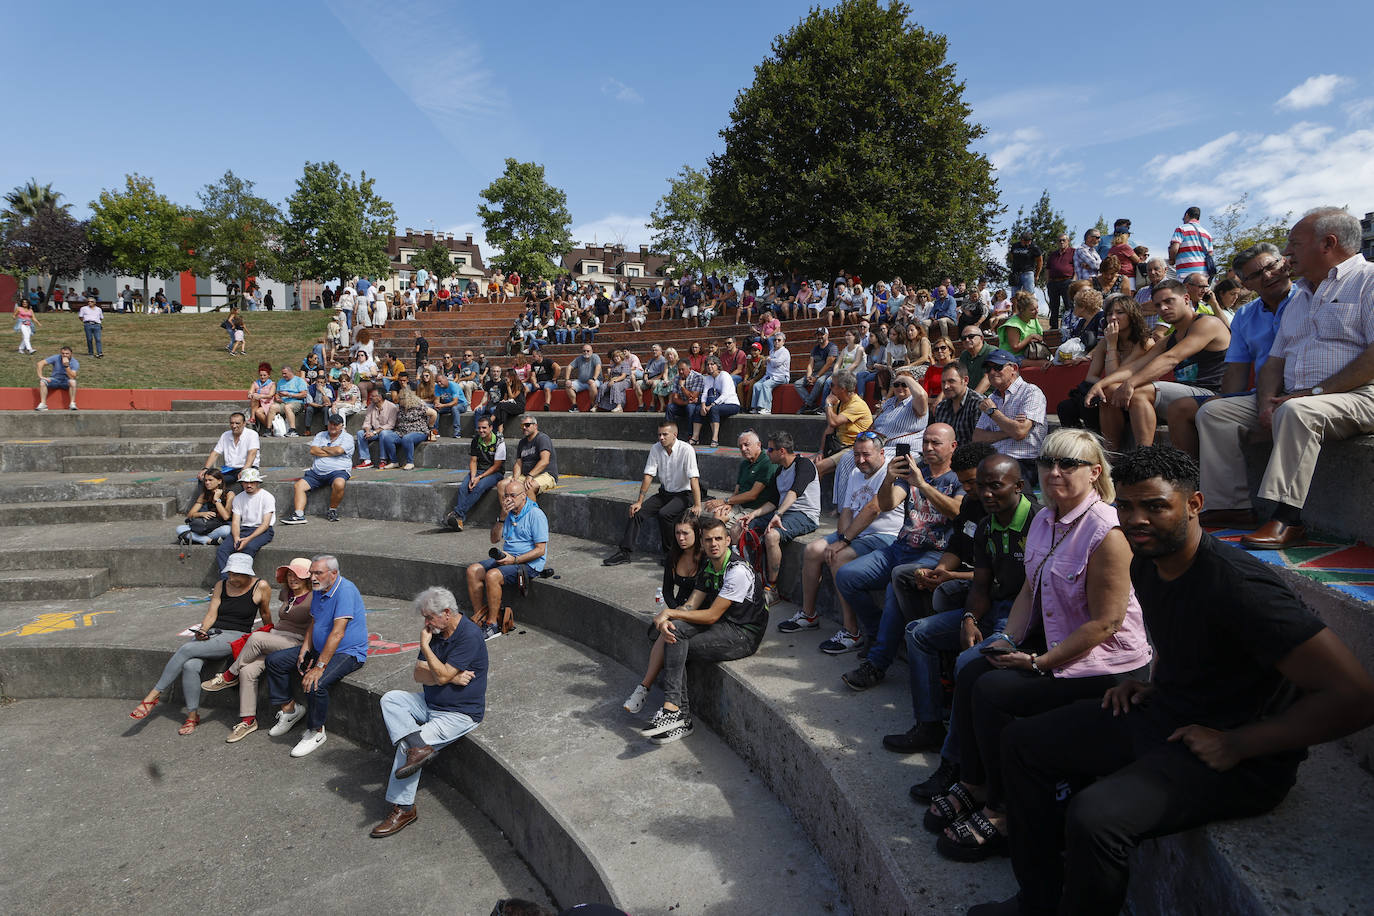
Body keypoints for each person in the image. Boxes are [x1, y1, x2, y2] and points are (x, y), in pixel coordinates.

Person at [976, 447, 1374, 916]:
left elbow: (1355, 697)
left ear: (1194, 504)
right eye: (1125, 506)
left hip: (1238, 754)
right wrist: (1154, 682)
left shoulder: (1242, 589)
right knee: (1023, 742)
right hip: (1169, 713)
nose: (1137, 519)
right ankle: (1038, 901)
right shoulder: (1147, 559)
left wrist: (1240, 743)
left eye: (1156, 505)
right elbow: (1185, 637)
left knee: (1096, 816)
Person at [927, 429, 1151, 866]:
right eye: (1048, 462)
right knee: (975, 666)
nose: (1055, 471)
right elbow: (1030, 587)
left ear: (1095, 473)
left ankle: (1003, 811)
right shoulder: (1046, 521)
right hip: (1060, 650)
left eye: (1069, 464)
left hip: (1107, 666)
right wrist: (1006, 639)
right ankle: (975, 783)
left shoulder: (1107, 530)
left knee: (993, 692)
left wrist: (1038, 661)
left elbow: (1106, 623)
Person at [1197, 207, 1374, 549]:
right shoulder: (1301, 297)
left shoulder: (1368, 281)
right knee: (1215, 413)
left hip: (1359, 395)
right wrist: (1265, 402)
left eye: (1294, 244)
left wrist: (1315, 392)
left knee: (1296, 412)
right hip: (1297, 395)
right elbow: (1274, 361)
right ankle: (1231, 507)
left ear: (1329, 243)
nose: (1287, 253)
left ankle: (1286, 519)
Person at [883, 455, 1037, 770]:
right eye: (980, 487)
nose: (986, 494)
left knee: (967, 661)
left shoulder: (1039, 522)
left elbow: (1036, 592)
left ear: (1019, 486)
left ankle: (955, 763)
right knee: (918, 632)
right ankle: (928, 725)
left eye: (996, 486)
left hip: (1025, 616)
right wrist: (969, 619)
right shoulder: (984, 523)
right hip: (992, 605)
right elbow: (981, 584)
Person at [836, 423, 964, 691]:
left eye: (935, 443)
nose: (928, 448)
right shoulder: (917, 471)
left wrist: (922, 485)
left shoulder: (959, 478)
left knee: (897, 584)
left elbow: (957, 512)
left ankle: (877, 663)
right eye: (925, 442)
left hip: (934, 553)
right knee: (846, 575)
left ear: (952, 446)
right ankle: (874, 631)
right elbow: (886, 503)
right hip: (900, 547)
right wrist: (888, 478)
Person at [636, 516, 767, 745]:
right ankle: (676, 713)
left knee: (675, 644)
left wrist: (669, 614)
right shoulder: (708, 565)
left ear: (728, 540)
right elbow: (691, 605)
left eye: (718, 539)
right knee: (673, 633)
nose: (713, 544)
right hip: (723, 625)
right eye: (708, 540)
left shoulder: (737, 570)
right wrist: (670, 618)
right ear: (702, 543)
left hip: (743, 634)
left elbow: (711, 615)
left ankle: (677, 714)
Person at [370, 586, 488, 838]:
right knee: (392, 700)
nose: (426, 623)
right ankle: (418, 746)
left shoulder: (468, 634)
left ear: (446, 612)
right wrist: (450, 678)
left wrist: (429, 653)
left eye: (429, 617)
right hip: (429, 702)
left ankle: (404, 808)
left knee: (404, 749)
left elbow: (438, 672)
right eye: (424, 617)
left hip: (459, 713)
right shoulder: (436, 631)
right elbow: (418, 674)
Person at [1169, 243, 1297, 461]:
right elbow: (1237, 369)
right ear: (1246, 283)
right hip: (1262, 395)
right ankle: (1196, 484)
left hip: (1303, 391)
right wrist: (1225, 401)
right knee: (1198, 410)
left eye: (1271, 266)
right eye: (1256, 274)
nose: (1267, 276)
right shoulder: (1246, 315)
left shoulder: (1311, 298)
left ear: (1284, 263)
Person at [128, 552, 273, 736]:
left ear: (247, 573)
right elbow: (212, 614)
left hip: (236, 635)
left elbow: (266, 614)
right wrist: (203, 630)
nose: (232, 578)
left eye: (236, 574)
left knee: (187, 648)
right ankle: (192, 715)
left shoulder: (261, 586)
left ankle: (153, 695)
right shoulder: (221, 585)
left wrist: (270, 635)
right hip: (213, 633)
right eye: (230, 573)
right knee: (190, 665)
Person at [779, 432, 905, 644]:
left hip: (882, 535)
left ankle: (851, 631)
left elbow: (873, 509)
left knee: (839, 557)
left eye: (866, 455)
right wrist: (841, 536)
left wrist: (844, 541)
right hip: (855, 533)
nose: (860, 460)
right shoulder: (856, 473)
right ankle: (808, 614)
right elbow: (846, 509)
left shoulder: (889, 473)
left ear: (882, 453)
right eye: (856, 455)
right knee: (812, 550)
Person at [1085, 279, 1230, 451]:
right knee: (1109, 391)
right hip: (1182, 395)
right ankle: (1112, 456)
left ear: (1185, 299)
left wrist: (1131, 383)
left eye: (1169, 301)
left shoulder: (1207, 323)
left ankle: (1144, 457)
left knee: (1139, 392)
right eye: (1158, 305)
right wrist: (1102, 384)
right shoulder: (1171, 338)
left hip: (1212, 394)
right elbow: (1135, 366)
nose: (1163, 308)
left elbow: (1171, 358)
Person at [263, 555, 370, 757]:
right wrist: (305, 648)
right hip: (321, 648)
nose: (312, 577)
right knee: (275, 661)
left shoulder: (345, 590)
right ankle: (290, 710)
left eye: (318, 573)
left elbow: (338, 633)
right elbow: (314, 622)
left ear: (333, 573)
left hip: (348, 652)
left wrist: (319, 667)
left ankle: (316, 731)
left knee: (315, 682)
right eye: (311, 572)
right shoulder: (320, 589)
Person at [201, 557, 315, 743]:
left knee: (256, 637)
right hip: (276, 638)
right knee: (248, 669)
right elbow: (272, 616)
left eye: (298, 575)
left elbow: (315, 627)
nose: (292, 578)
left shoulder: (314, 598)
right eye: (289, 574)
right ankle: (248, 720)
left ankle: (229, 676)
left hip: (295, 642)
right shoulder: (287, 593)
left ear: (307, 578)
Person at [622, 514, 707, 715]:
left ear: (697, 533)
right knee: (668, 629)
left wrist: (676, 614)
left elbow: (704, 597)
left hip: (699, 608)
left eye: (686, 533)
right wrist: (675, 609)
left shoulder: (705, 558)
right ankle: (644, 689)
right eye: (677, 533)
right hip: (679, 608)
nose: (681, 537)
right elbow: (668, 591)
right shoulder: (673, 555)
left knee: (668, 630)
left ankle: (644, 687)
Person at [604, 420, 703, 566]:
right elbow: (648, 475)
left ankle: (672, 555)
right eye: (659, 435)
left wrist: (697, 504)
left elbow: (693, 478)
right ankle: (624, 553)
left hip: (684, 494)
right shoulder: (656, 448)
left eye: (665, 434)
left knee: (665, 514)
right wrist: (639, 501)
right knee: (637, 512)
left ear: (674, 435)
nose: (661, 438)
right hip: (665, 493)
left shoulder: (686, 449)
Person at [741, 432, 821, 604]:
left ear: (782, 451)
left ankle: (772, 588)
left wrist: (779, 514)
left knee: (772, 536)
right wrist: (754, 514)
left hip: (805, 515)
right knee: (744, 526)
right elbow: (773, 501)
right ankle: (749, 578)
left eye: (770, 449)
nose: (767, 452)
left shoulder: (804, 464)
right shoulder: (779, 471)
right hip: (784, 512)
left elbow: (795, 492)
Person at [466, 479, 549, 640]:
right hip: (509, 557)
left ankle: (492, 625)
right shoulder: (508, 513)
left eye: (512, 495)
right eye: (505, 496)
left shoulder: (535, 515)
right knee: (473, 571)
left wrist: (515, 560)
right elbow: (494, 539)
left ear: (523, 496)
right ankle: (479, 618)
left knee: (492, 576)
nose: (508, 500)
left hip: (528, 563)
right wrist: (502, 517)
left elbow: (540, 550)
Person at [1058, 295, 1154, 433]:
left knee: (1092, 404)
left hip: (1132, 393)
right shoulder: (1105, 342)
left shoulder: (1144, 342)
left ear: (1132, 315)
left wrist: (1112, 345)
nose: (1113, 318)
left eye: (1120, 313)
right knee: (1065, 407)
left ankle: (1100, 444)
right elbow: (1091, 376)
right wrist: (1102, 384)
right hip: (1109, 391)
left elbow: (1115, 376)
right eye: (1109, 314)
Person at [970, 350, 1048, 486]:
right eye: (988, 369)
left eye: (998, 367)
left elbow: (1019, 432)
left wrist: (993, 412)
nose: (992, 372)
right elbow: (977, 437)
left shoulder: (1031, 392)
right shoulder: (992, 398)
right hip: (994, 459)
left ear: (1014, 369)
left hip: (1024, 460)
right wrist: (1010, 430)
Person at [705, 430, 778, 541]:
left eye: (746, 445)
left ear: (758, 445)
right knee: (717, 515)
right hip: (740, 504)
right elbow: (737, 490)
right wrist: (730, 504)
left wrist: (725, 501)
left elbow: (753, 495)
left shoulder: (766, 462)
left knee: (728, 526)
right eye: (740, 446)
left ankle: (734, 554)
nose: (743, 449)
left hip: (755, 508)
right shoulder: (744, 463)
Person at [281, 413, 355, 524]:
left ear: (341, 426)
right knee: (299, 486)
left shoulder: (347, 437)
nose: (333, 426)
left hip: (338, 471)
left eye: (336, 424)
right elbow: (313, 451)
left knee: (339, 484)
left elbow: (338, 451)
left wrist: (324, 448)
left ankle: (332, 510)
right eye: (331, 423)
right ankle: (299, 515)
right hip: (317, 472)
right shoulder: (320, 435)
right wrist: (332, 451)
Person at [444, 416, 507, 531]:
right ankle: (459, 521)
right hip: (478, 471)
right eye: (479, 428)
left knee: (479, 486)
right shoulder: (476, 439)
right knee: (464, 487)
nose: (481, 430)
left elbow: (497, 465)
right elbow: (473, 461)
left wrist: (480, 477)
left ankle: (457, 513)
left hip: (495, 473)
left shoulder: (499, 441)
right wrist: (473, 477)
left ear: (491, 428)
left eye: (484, 428)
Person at [819, 369, 873, 457]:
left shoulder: (857, 405)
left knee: (819, 467)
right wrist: (821, 452)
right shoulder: (839, 403)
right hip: (837, 446)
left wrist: (828, 403)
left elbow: (833, 422)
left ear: (842, 389)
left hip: (852, 448)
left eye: (832, 385)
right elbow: (830, 428)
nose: (830, 387)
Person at [199, 412, 260, 486]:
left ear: (244, 423)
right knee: (204, 479)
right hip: (229, 470)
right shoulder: (225, 435)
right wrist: (206, 469)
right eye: (232, 423)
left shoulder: (252, 434)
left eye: (237, 423)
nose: (234, 426)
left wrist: (244, 470)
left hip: (248, 468)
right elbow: (215, 453)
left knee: (246, 479)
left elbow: (252, 453)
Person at [176, 468, 234, 546]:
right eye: (206, 480)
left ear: (219, 481)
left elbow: (226, 516)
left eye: (210, 480)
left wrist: (217, 500)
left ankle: (197, 538)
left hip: (219, 527)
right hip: (204, 527)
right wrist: (201, 514)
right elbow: (190, 515)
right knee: (179, 529)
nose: (207, 483)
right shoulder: (204, 495)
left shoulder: (229, 494)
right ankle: (209, 540)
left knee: (227, 530)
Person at [932, 362, 980, 449]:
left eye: (951, 381)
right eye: (943, 382)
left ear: (965, 380)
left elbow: (979, 443)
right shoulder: (941, 407)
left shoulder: (977, 404)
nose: (946, 386)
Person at [794, 328, 839, 414]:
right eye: (818, 335)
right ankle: (812, 404)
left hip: (828, 372)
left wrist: (816, 377)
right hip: (816, 373)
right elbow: (810, 364)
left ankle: (807, 404)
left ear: (827, 335)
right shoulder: (815, 349)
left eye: (821, 334)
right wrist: (809, 376)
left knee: (819, 381)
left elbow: (828, 364)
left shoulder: (832, 347)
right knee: (797, 384)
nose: (819, 336)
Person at [512, 414, 558, 497]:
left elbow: (545, 461)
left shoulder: (542, 439)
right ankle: (507, 510)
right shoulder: (522, 442)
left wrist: (530, 475)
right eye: (522, 425)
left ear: (535, 426)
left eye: (527, 425)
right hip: (526, 475)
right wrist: (515, 479)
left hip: (546, 475)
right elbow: (519, 463)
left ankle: (532, 510)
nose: (524, 428)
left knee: (529, 487)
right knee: (504, 485)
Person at [748, 331, 791, 415]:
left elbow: (777, 363)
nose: (776, 342)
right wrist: (767, 361)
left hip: (781, 376)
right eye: (775, 340)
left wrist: (768, 359)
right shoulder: (772, 351)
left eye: (779, 340)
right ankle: (756, 407)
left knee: (766, 385)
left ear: (783, 342)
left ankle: (767, 408)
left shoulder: (784, 352)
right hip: (770, 376)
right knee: (756, 385)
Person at [356, 388, 399, 469]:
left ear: (379, 397)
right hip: (374, 431)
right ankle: (367, 460)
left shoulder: (391, 407)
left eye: (373, 396)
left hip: (388, 432)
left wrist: (374, 432)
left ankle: (383, 460)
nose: (370, 397)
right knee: (360, 433)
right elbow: (367, 422)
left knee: (384, 433)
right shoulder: (370, 407)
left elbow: (390, 425)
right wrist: (368, 431)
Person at [1168, 205, 1214, 279]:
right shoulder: (1207, 234)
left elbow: (1174, 248)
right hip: (1203, 274)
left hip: (1185, 273)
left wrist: (1172, 259)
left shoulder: (1181, 229)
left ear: (1186, 215)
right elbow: (1210, 254)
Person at [996, 293, 1044, 359]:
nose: (1037, 311)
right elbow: (1015, 348)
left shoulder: (1033, 319)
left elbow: (1040, 336)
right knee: (1044, 364)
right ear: (1021, 310)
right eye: (1032, 310)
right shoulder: (1013, 325)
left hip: (1030, 353)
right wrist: (1030, 337)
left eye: (1037, 308)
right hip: (1011, 357)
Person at [1044, 233, 1076, 329]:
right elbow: (1048, 268)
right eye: (1059, 240)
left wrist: (1073, 281)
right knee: (1054, 306)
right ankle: (1053, 326)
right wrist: (1048, 281)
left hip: (1067, 281)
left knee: (1069, 305)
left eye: (1064, 240)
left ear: (1068, 241)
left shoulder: (1073, 252)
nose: (1061, 242)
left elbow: (1077, 267)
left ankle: (1069, 325)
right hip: (1053, 282)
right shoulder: (1053, 255)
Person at [34, 345, 79, 411]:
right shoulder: (56, 357)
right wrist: (41, 376)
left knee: (73, 382)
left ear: (71, 354)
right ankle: (43, 404)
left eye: (67, 353)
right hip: (55, 379)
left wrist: (66, 366)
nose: (65, 355)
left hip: (66, 381)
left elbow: (72, 376)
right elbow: (40, 363)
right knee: (42, 381)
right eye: (63, 353)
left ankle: (72, 403)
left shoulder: (74, 362)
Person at [562, 344, 601, 411]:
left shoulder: (595, 357)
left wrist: (593, 378)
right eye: (584, 351)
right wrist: (567, 379)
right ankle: (574, 406)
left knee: (592, 384)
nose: (586, 352)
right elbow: (569, 367)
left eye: (588, 351)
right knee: (568, 385)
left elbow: (598, 367)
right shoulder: (579, 358)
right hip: (581, 382)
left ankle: (593, 405)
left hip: (595, 380)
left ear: (592, 351)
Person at [271, 365, 307, 436]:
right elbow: (277, 393)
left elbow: (304, 394)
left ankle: (293, 430)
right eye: (282, 374)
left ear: (290, 372)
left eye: (285, 373)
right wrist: (277, 397)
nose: (283, 375)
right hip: (283, 402)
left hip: (297, 402)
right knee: (272, 407)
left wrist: (289, 395)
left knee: (287, 407)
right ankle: (269, 429)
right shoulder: (281, 381)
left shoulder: (299, 380)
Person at [958, 326, 995, 394]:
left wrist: (971, 399)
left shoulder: (992, 352)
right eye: (963, 338)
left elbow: (988, 378)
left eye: (971, 336)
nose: (967, 340)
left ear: (981, 338)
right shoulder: (964, 355)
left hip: (990, 396)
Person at [247, 363, 276, 431]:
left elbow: (270, 395)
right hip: (257, 403)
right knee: (254, 396)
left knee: (258, 412)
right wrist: (250, 394)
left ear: (268, 375)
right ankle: (253, 418)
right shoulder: (255, 383)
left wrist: (260, 396)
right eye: (261, 375)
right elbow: (250, 392)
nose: (262, 377)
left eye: (264, 375)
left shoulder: (272, 384)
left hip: (267, 403)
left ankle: (269, 427)